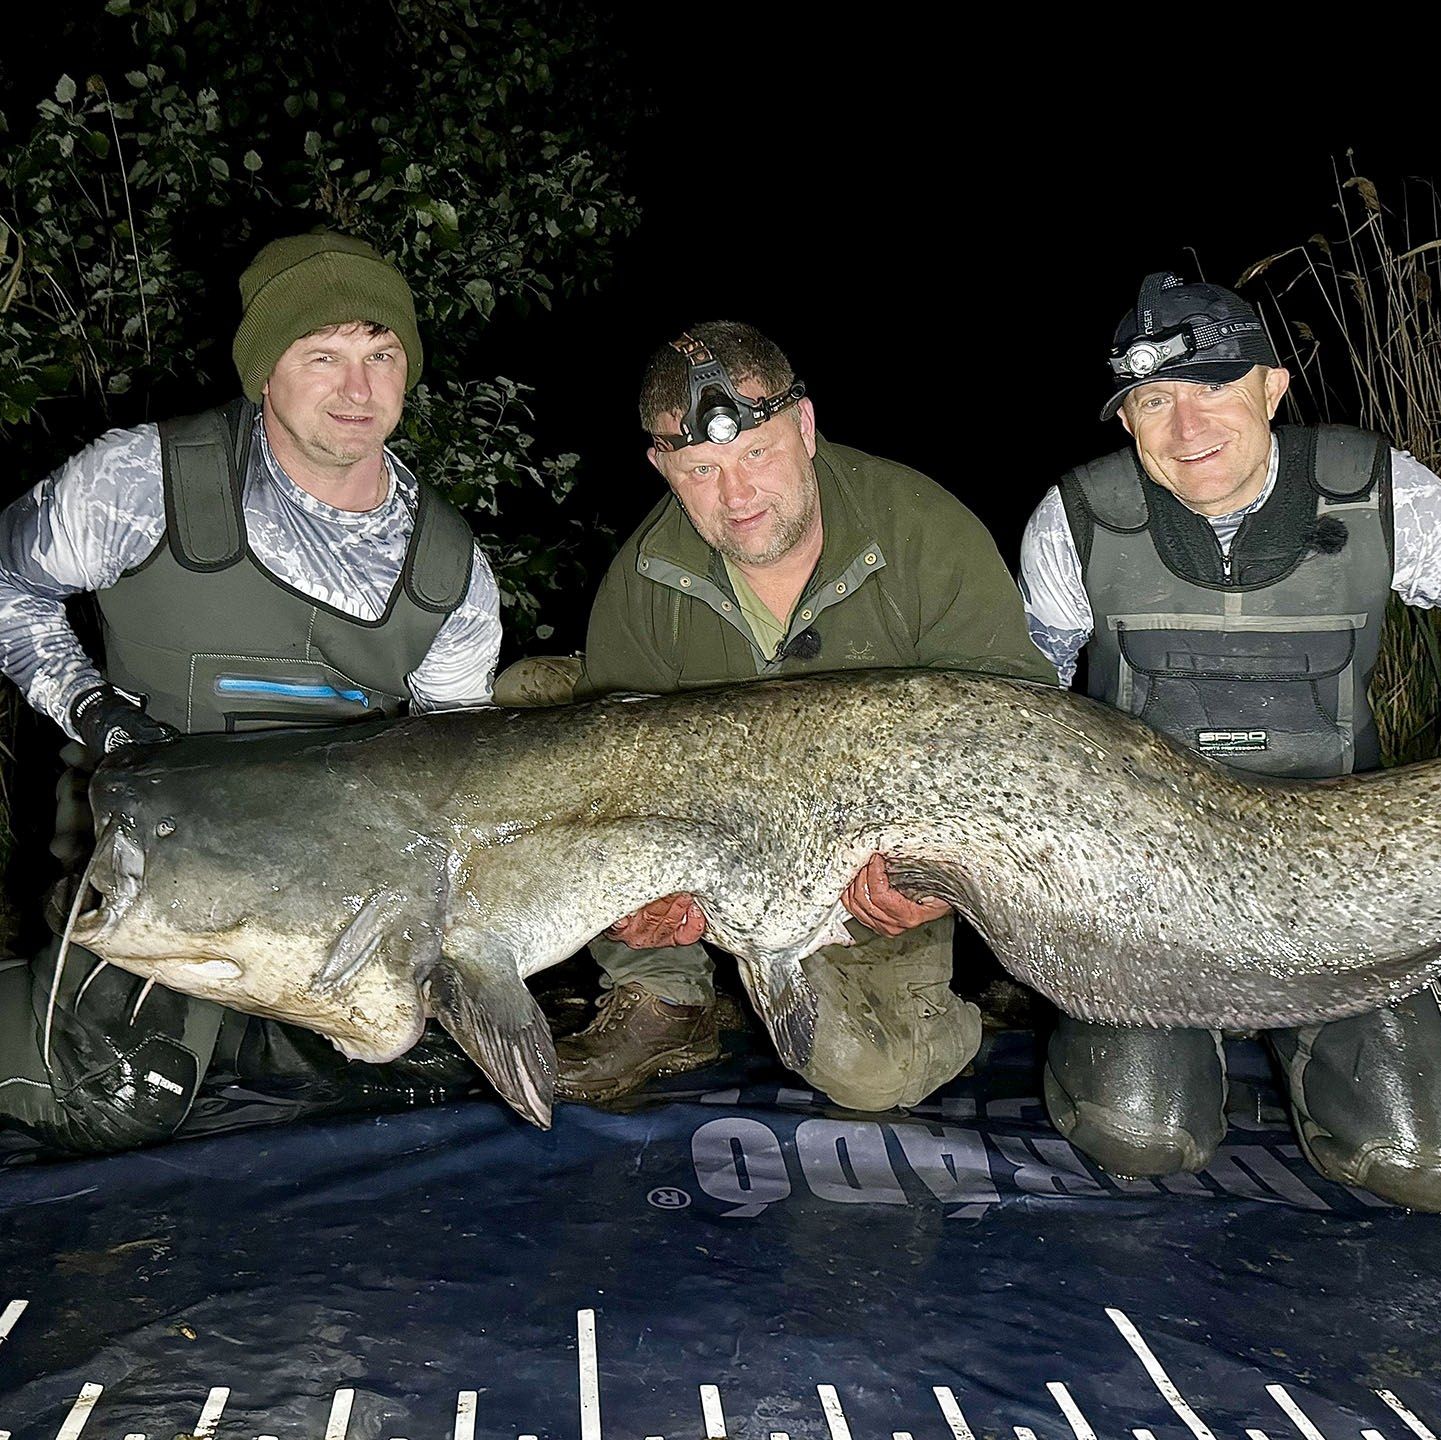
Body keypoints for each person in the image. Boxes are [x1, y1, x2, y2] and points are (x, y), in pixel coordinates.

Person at [1019, 272, 1441, 1211]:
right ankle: (1172, 1050)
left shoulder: (1380, 489)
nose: (1185, 426)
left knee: (1429, 1170)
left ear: (1273, 388)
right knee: (1141, 1137)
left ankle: (1317, 1045)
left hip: (1339, 881)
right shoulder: (1074, 518)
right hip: (1147, 890)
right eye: (1153, 399)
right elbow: (1017, 706)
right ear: (1127, 419)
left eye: (1213, 389)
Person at [0, 230, 503, 1153]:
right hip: (153, 859)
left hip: (334, 884)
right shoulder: (140, 480)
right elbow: (7, 581)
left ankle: (241, 1027)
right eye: (324, 357)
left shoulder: (448, 565)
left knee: (444, 1083)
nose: (358, 390)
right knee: (116, 1098)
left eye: (381, 356)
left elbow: (457, 770)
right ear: (266, 370)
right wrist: (87, 704)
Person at [553, 321, 1055, 1112]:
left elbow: (1021, 745)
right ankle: (667, 998)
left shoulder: (924, 531)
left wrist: (947, 883)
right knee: (544, 731)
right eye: (703, 469)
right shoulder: (643, 580)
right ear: (663, 468)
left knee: (872, 1075)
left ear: (807, 428)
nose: (738, 495)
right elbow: (618, 786)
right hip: (713, 849)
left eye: (758, 453)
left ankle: (969, 1007)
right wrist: (630, 903)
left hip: (869, 879)